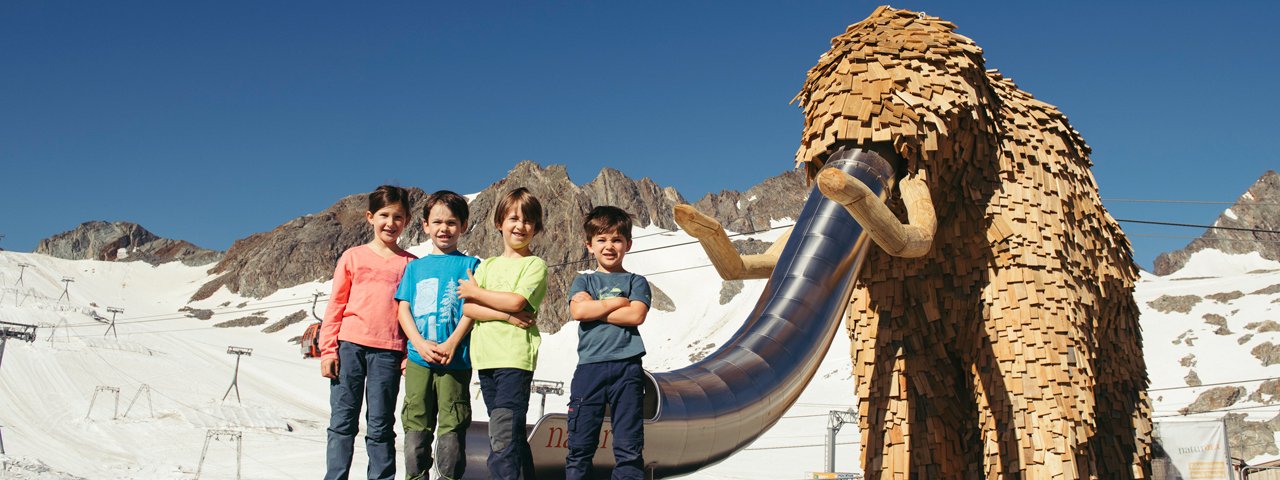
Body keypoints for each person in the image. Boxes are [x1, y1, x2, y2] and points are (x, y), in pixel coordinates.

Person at [320, 185, 417, 480]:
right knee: (342, 422)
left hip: (388, 352)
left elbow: (410, 314)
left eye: (398, 216)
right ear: (370, 217)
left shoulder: (410, 264)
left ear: (407, 220)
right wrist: (328, 350)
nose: (390, 223)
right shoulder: (353, 257)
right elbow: (336, 303)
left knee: (380, 425)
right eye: (384, 215)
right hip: (349, 347)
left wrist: (405, 355)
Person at [458, 187, 547, 479]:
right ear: (499, 223)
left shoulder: (534, 265)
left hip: (514, 360)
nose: (520, 226)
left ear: (536, 227)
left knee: (502, 436)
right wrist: (505, 314)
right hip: (486, 360)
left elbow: (517, 301)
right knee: (512, 438)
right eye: (513, 218)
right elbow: (469, 310)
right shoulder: (487, 266)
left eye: (528, 221)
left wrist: (478, 293)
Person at [394, 190, 481, 480]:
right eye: (438, 222)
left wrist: (453, 341)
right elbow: (403, 309)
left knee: (453, 423)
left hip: (455, 359)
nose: (445, 229)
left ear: (464, 226)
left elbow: (473, 307)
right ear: (425, 225)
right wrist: (418, 343)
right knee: (415, 423)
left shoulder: (471, 266)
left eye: (452, 223)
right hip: (419, 359)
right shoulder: (414, 268)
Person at [564, 206, 651, 480]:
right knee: (579, 446)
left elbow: (636, 314)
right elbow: (579, 312)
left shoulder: (637, 281)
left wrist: (597, 307)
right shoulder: (583, 280)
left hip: (628, 370)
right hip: (589, 369)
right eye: (601, 240)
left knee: (629, 447)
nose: (609, 246)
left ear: (628, 244)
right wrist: (617, 302)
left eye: (616, 239)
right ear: (589, 245)